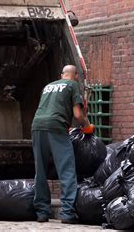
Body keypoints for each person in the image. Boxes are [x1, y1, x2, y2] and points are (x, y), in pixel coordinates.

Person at [31, 65, 94, 224]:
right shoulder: (72, 85)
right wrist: (87, 127)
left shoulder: (48, 86)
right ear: (76, 76)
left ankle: (42, 212)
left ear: (61, 75)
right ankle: (67, 213)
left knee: (41, 170)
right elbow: (78, 114)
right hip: (56, 126)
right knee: (66, 169)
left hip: (37, 126)